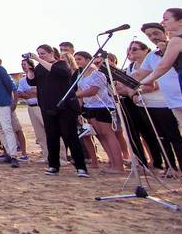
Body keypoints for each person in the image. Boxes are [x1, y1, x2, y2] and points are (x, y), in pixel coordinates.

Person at [125, 40, 182, 173]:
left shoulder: (156, 60)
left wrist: (136, 90)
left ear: (145, 50)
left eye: (135, 49)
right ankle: (170, 166)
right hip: (145, 105)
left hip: (162, 103)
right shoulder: (133, 67)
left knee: (173, 136)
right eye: (130, 49)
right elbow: (132, 83)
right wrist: (131, 93)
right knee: (159, 136)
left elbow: (156, 83)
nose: (131, 51)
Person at [26, 45, 88, 177]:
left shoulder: (61, 64)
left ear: (51, 53)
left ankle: (80, 167)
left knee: (70, 136)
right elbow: (32, 82)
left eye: (42, 53)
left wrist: (38, 59)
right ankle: (53, 165)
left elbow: (57, 72)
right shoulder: (40, 67)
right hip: (47, 107)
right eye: (38, 53)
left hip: (64, 107)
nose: (40, 55)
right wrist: (29, 69)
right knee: (52, 137)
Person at [73, 51, 124, 173]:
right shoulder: (82, 74)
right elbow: (80, 92)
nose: (77, 61)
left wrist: (74, 95)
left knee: (109, 135)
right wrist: (79, 109)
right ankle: (112, 162)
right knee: (100, 136)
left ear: (88, 59)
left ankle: (119, 165)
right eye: (76, 59)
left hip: (103, 106)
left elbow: (93, 90)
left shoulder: (97, 74)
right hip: (90, 107)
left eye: (79, 59)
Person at [139, 10, 182, 132]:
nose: (163, 22)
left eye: (166, 19)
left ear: (181, 22)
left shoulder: (176, 41)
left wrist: (144, 82)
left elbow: (163, 67)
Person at [17, 58, 48, 162]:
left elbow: (39, 91)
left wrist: (32, 92)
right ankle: (45, 155)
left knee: (49, 130)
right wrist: (30, 93)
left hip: (41, 106)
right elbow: (20, 93)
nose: (23, 66)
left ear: (30, 65)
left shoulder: (38, 77)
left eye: (25, 64)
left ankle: (59, 156)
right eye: (22, 64)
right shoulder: (22, 80)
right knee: (39, 134)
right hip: (30, 107)